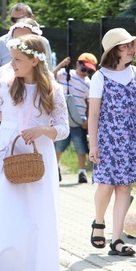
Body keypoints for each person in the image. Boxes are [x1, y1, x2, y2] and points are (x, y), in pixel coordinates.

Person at [0, 35, 68, 271]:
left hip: (39, 156)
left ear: (34, 61)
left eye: (16, 59)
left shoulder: (53, 90)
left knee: (34, 221)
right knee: (7, 218)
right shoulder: (5, 86)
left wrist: (44, 130)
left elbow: (63, 128)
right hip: (10, 154)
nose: (11, 64)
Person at [89, 29, 136, 258]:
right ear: (113, 51)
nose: (131, 49)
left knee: (124, 188)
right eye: (125, 46)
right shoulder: (100, 77)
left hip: (131, 138)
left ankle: (117, 240)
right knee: (106, 185)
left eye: (131, 45)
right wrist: (93, 144)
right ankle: (99, 222)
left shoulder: (134, 73)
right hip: (107, 138)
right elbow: (94, 115)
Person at [52, 52, 97, 184]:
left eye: (89, 71)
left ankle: (82, 172)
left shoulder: (88, 83)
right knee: (59, 145)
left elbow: (90, 103)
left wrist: (88, 120)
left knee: (80, 146)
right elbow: (50, 77)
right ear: (77, 64)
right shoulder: (65, 74)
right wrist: (61, 64)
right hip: (62, 119)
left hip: (79, 120)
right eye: (84, 68)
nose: (85, 72)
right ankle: (56, 167)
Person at [0, 3, 53, 81]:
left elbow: (48, 71)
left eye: (22, 18)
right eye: (13, 20)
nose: (18, 22)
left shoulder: (43, 42)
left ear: (31, 17)